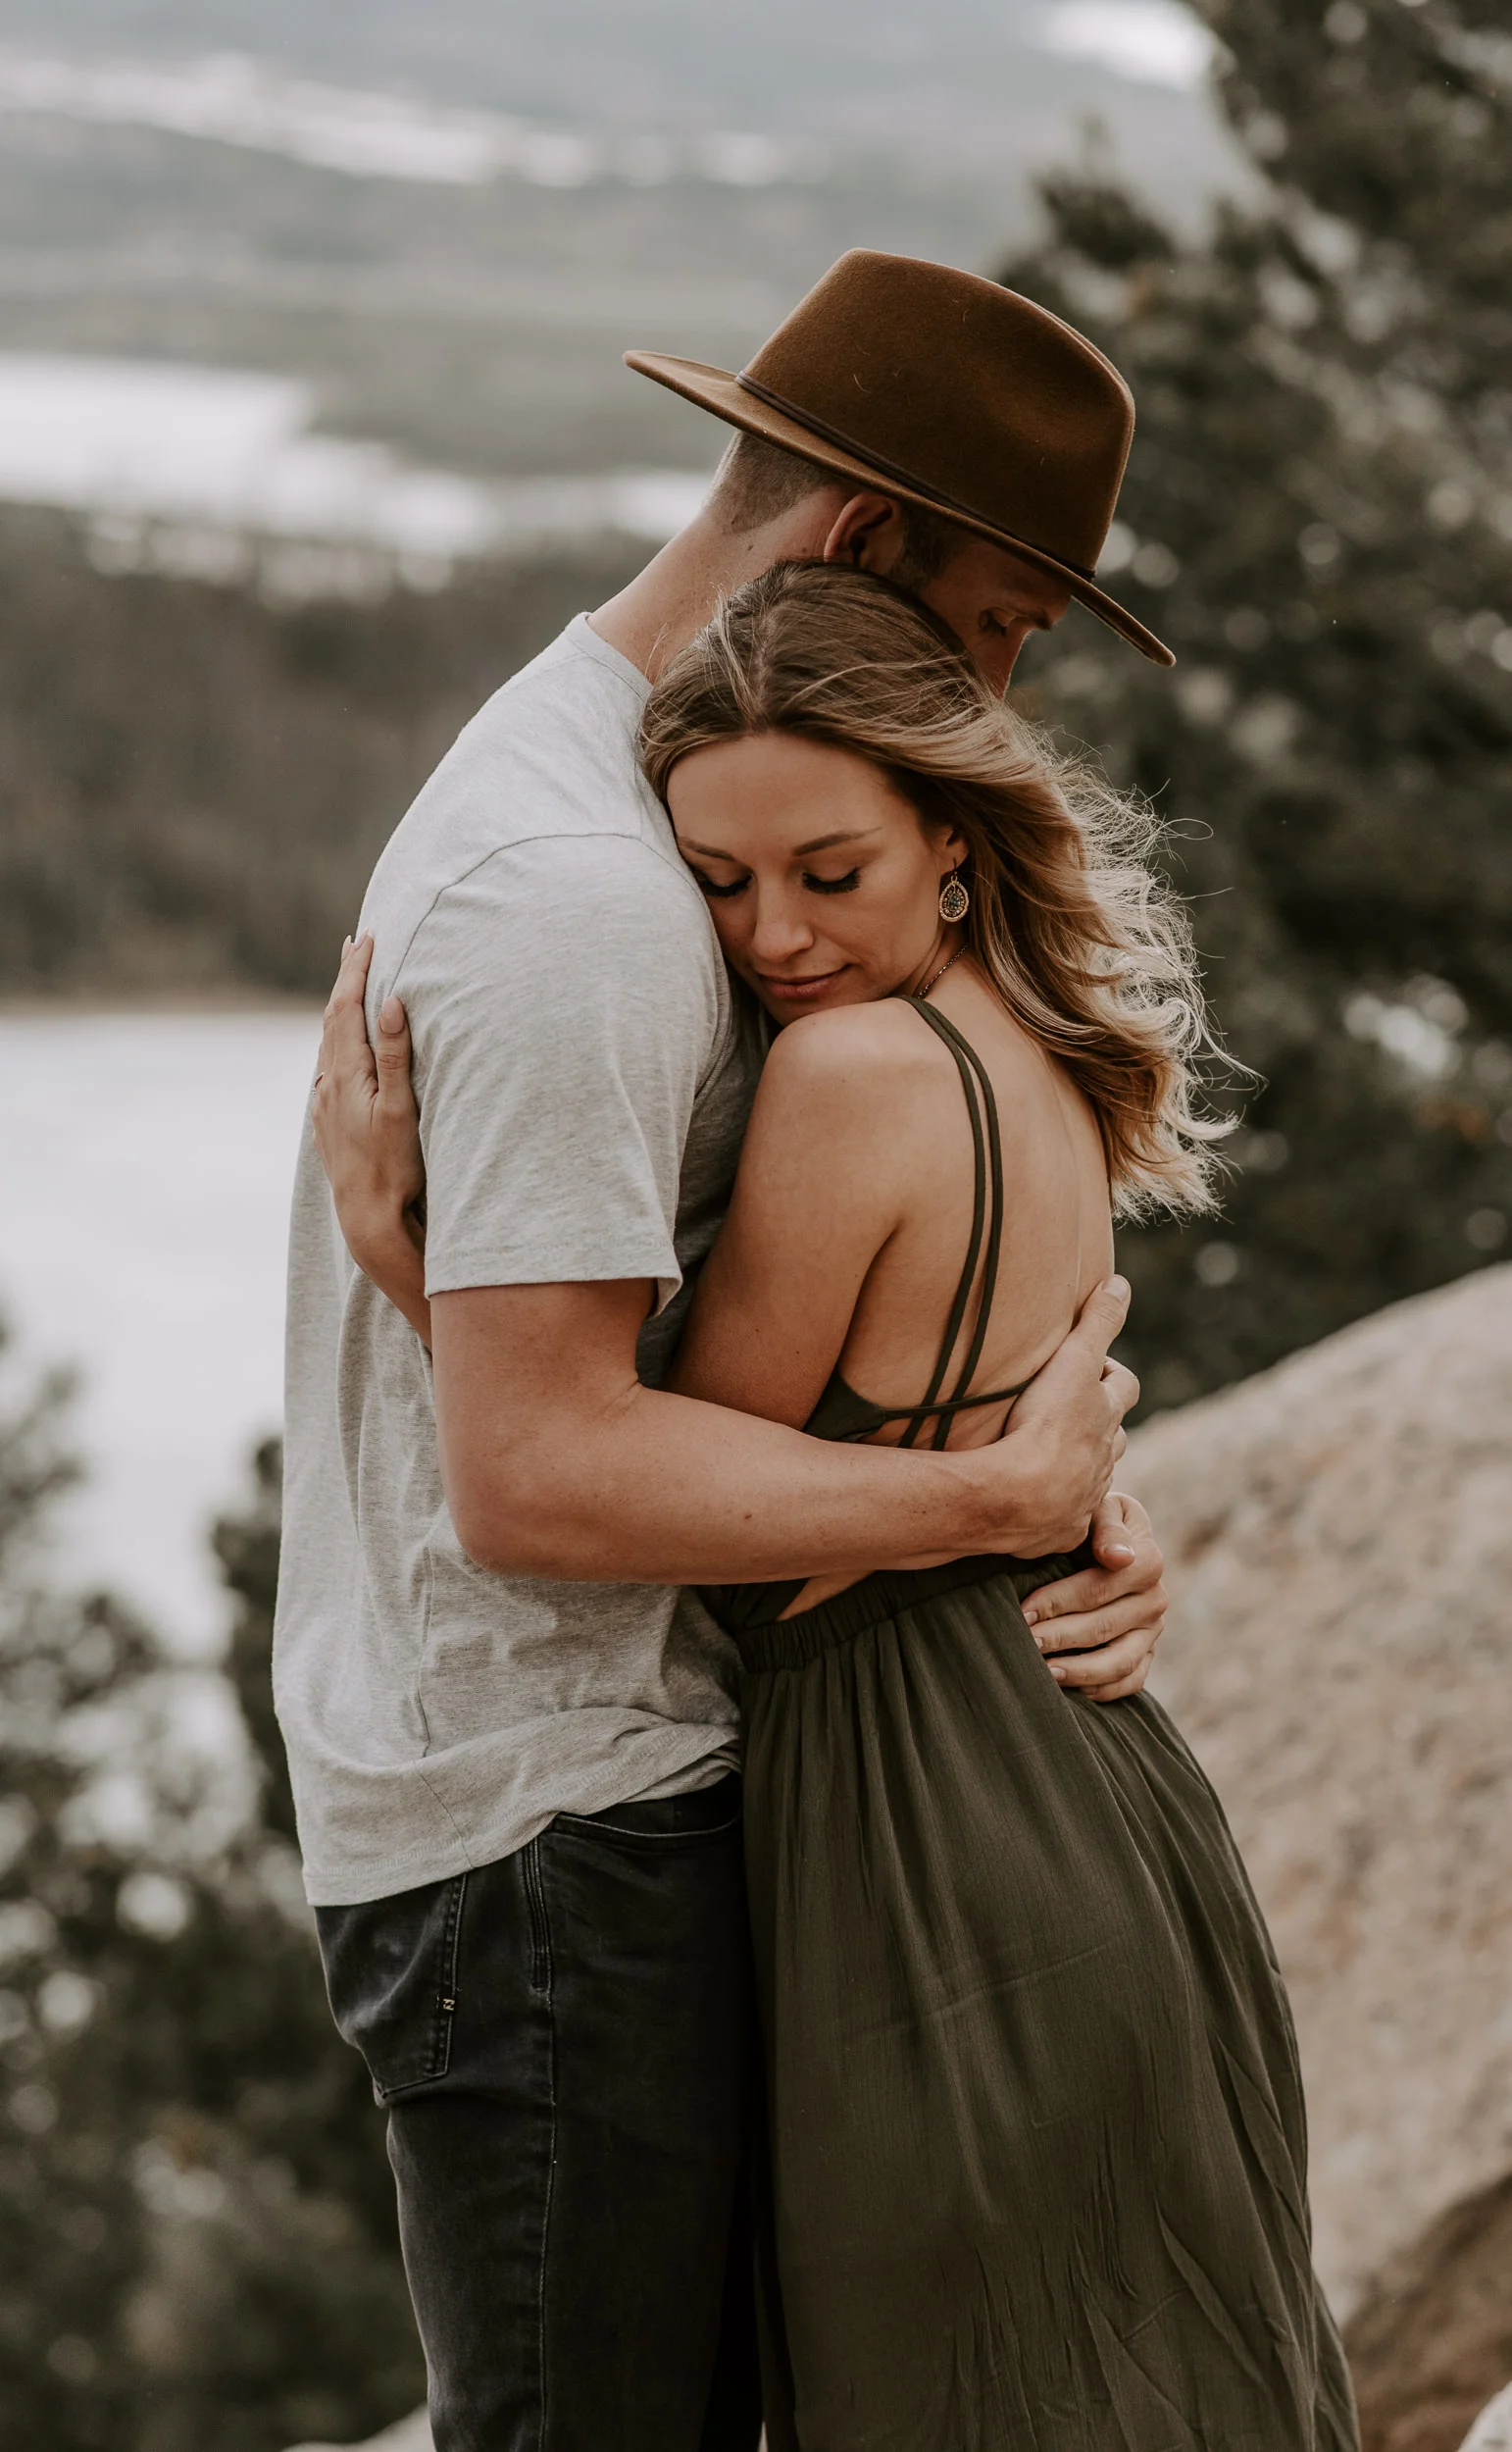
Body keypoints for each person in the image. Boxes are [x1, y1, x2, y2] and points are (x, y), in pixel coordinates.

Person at [274, 251, 1176, 2452]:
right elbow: (542, 1478)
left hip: (621, 1806)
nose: (998, 711)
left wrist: (1069, 1487)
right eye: (988, 634)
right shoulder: (589, 896)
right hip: (552, 1839)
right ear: (864, 546)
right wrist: (995, 1496)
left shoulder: (659, 801)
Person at [319, 562, 1358, 2452]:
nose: (774, 935)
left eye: (828, 870)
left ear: (951, 844)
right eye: (718, 885)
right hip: (1084, 1791)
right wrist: (1028, 1505)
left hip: (931, 1828)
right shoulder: (1028, 1046)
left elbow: (651, 1484)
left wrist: (413, 1263)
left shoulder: (854, 1077)